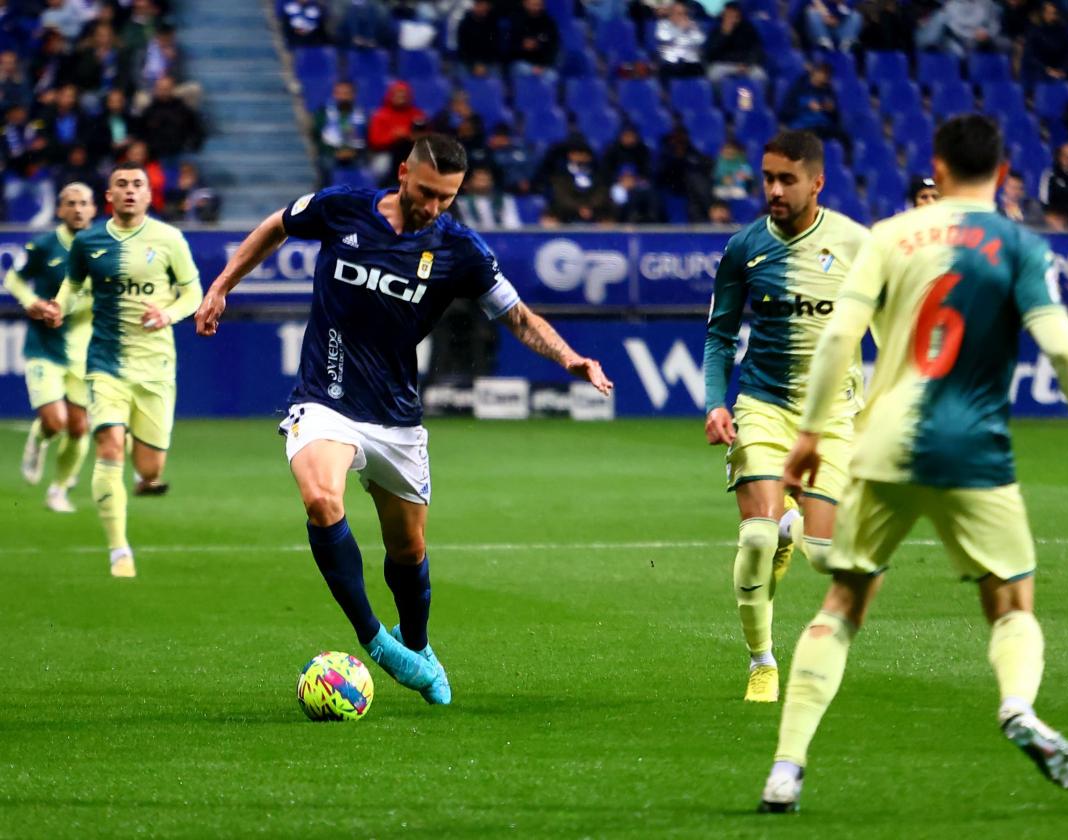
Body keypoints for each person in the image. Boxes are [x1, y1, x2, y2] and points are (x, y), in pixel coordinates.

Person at [757, 114, 1068, 813]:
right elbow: (1066, 351)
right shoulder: (1020, 245)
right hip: (976, 449)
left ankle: (786, 767)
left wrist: (806, 435)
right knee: (1010, 600)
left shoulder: (890, 235)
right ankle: (1016, 704)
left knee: (843, 602)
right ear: (1004, 174)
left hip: (886, 440)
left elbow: (838, 340)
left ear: (938, 169)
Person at [192, 134, 612, 706]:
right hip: (325, 398)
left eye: (447, 197)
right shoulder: (342, 208)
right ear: (403, 174)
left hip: (395, 417)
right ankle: (376, 642)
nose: (434, 207)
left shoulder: (458, 247)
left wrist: (570, 357)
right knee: (322, 500)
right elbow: (276, 226)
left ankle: (417, 642)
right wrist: (221, 285)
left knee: (408, 551)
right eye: (427, 192)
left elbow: (516, 315)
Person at [702, 129, 870, 703]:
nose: (773, 189)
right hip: (764, 407)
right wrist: (715, 402)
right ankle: (762, 663)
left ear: (817, 183)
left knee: (824, 558)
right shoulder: (743, 246)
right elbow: (719, 336)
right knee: (754, 538)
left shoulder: (856, 244)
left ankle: (793, 528)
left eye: (786, 179)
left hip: (832, 418)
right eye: (767, 177)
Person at [46, 163, 204, 577]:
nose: (130, 190)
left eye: (138, 184)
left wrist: (168, 314)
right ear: (109, 197)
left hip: (156, 367)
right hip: (105, 363)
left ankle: (138, 449)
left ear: (150, 196)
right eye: (122, 184)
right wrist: (57, 308)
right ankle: (119, 550)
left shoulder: (169, 239)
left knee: (150, 470)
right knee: (110, 448)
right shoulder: (89, 240)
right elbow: (71, 286)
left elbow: (193, 293)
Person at [3, 182, 96, 512]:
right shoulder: (44, 246)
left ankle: (58, 490)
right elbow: (13, 278)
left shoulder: (103, 248)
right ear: (60, 209)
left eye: (84, 203)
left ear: (94, 209)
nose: (78, 209)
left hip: (84, 353)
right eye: (71, 203)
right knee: (55, 422)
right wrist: (32, 302)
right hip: (44, 346)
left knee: (79, 427)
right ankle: (39, 438)